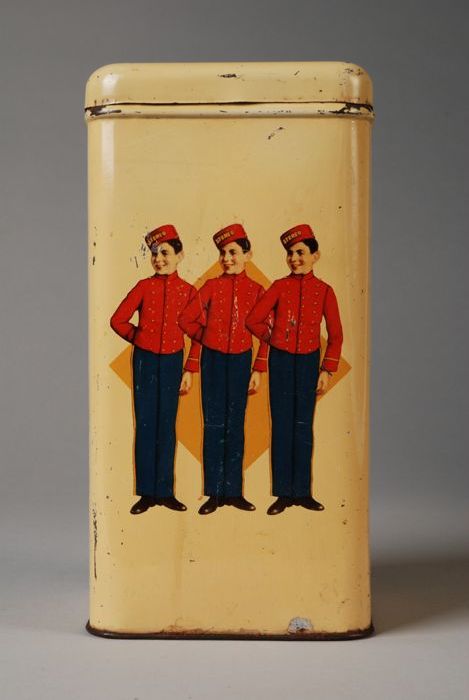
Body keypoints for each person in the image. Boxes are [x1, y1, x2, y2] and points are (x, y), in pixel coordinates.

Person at [246, 224, 343, 514]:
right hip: (281, 362)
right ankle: (283, 495)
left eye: (300, 252)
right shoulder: (278, 287)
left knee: (303, 426)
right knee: (282, 426)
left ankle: (302, 493)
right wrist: (274, 338)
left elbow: (336, 335)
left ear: (315, 255)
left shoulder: (325, 291)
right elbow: (253, 319)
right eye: (290, 253)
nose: (294, 259)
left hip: (309, 363)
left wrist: (326, 370)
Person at [110, 224, 200, 515]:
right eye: (154, 254)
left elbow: (199, 333)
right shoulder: (143, 287)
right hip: (145, 362)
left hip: (173, 362)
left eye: (165, 253)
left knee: (167, 425)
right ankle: (147, 494)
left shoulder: (189, 291)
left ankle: (166, 492)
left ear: (179, 255)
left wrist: (189, 369)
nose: (159, 259)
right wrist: (140, 338)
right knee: (146, 424)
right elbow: (117, 320)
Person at [179, 223, 268, 514]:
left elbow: (268, 332)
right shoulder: (210, 287)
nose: (227, 258)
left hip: (241, 361)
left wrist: (258, 368)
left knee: (236, 426)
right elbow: (186, 319)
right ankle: (214, 494)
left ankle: (234, 492)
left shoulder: (257, 290)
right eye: (223, 253)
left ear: (247, 254)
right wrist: (207, 339)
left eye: (233, 252)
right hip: (213, 362)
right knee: (213, 424)